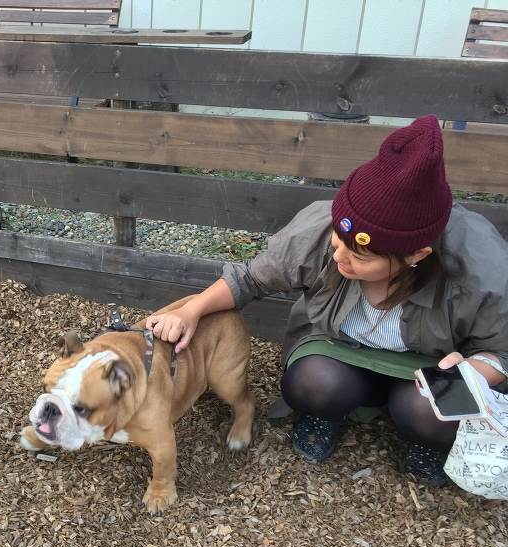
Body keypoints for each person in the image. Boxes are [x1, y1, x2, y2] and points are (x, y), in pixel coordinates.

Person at [147, 114, 508, 486]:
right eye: (338, 240)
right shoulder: (322, 230)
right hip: (340, 348)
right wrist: (191, 310)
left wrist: (473, 371)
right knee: (310, 384)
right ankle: (327, 412)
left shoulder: (483, 269)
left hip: (428, 365)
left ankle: (427, 439)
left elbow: (503, 351)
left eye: (360, 256)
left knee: (432, 412)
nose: (338, 258)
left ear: (416, 255)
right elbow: (251, 278)